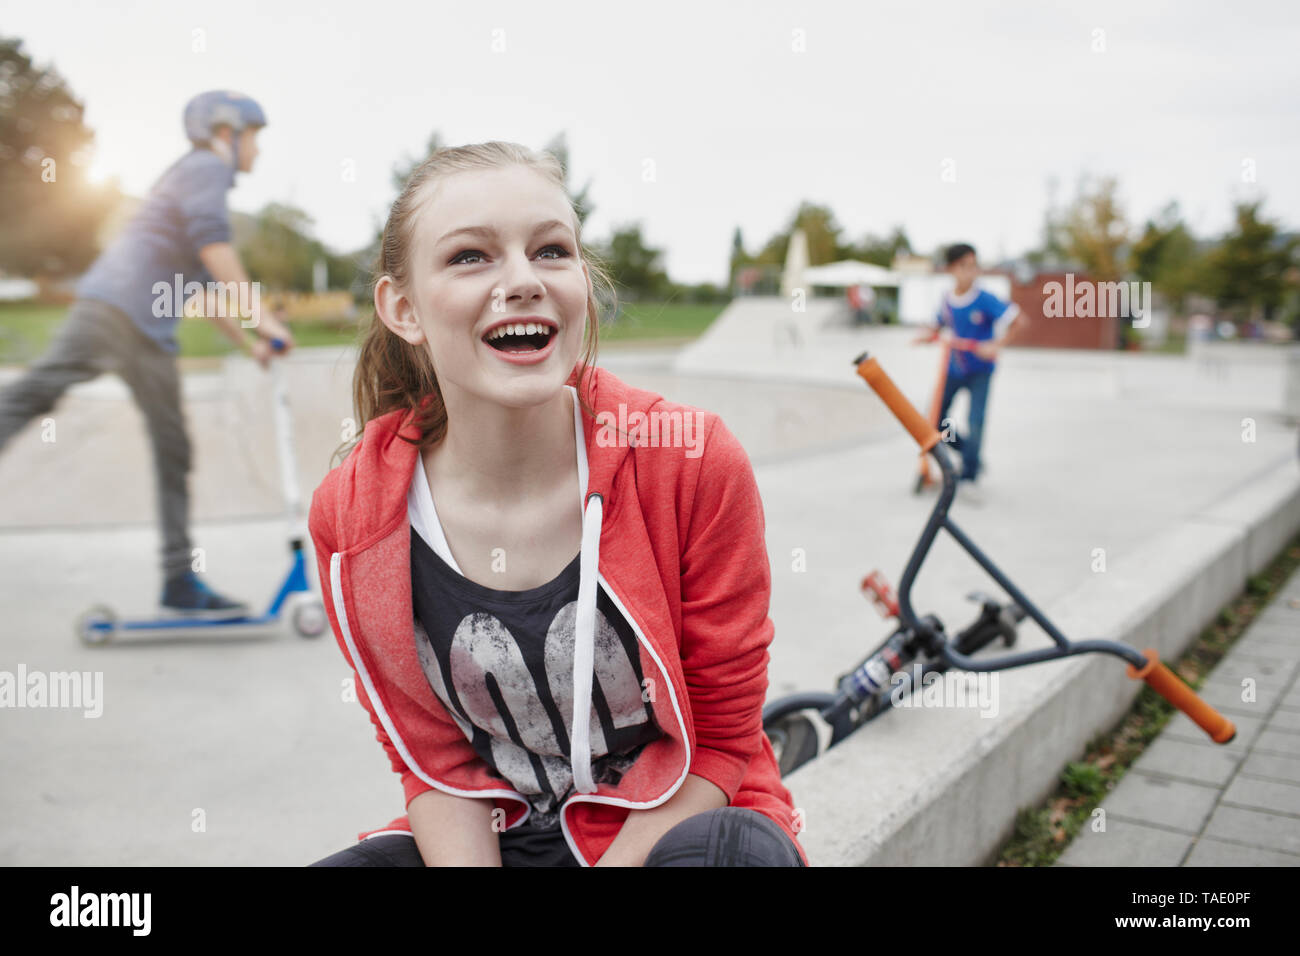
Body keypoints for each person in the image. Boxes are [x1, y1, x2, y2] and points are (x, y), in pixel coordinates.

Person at [307, 142, 807, 867]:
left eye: (550, 250)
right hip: (501, 836)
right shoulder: (353, 516)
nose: (522, 280)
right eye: (470, 257)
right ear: (403, 308)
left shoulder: (690, 462)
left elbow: (723, 741)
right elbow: (433, 761)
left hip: (673, 826)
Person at [0, 90, 295, 618]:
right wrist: (265, 318)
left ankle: (179, 580)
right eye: (254, 137)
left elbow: (203, 288)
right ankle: (179, 578)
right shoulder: (206, 167)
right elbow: (216, 249)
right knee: (32, 399)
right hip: (115, 314)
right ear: (226, 133)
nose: (258, 150)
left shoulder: (190, 178)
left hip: (140, 331)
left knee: (168, 446)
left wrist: (249, 344)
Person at [916, 243, 1022, 501]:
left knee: (976, 422)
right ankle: (967, 453)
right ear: (952, 269)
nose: (971, 271)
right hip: (954, 369)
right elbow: (939, 324)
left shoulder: (984, 299)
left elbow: (1018, 321)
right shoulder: (947, 300)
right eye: (964, 266)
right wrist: (928, 335)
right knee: (935, 420)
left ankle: (970, 476)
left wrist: (995, 345)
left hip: (980, 371)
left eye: (974, 265)